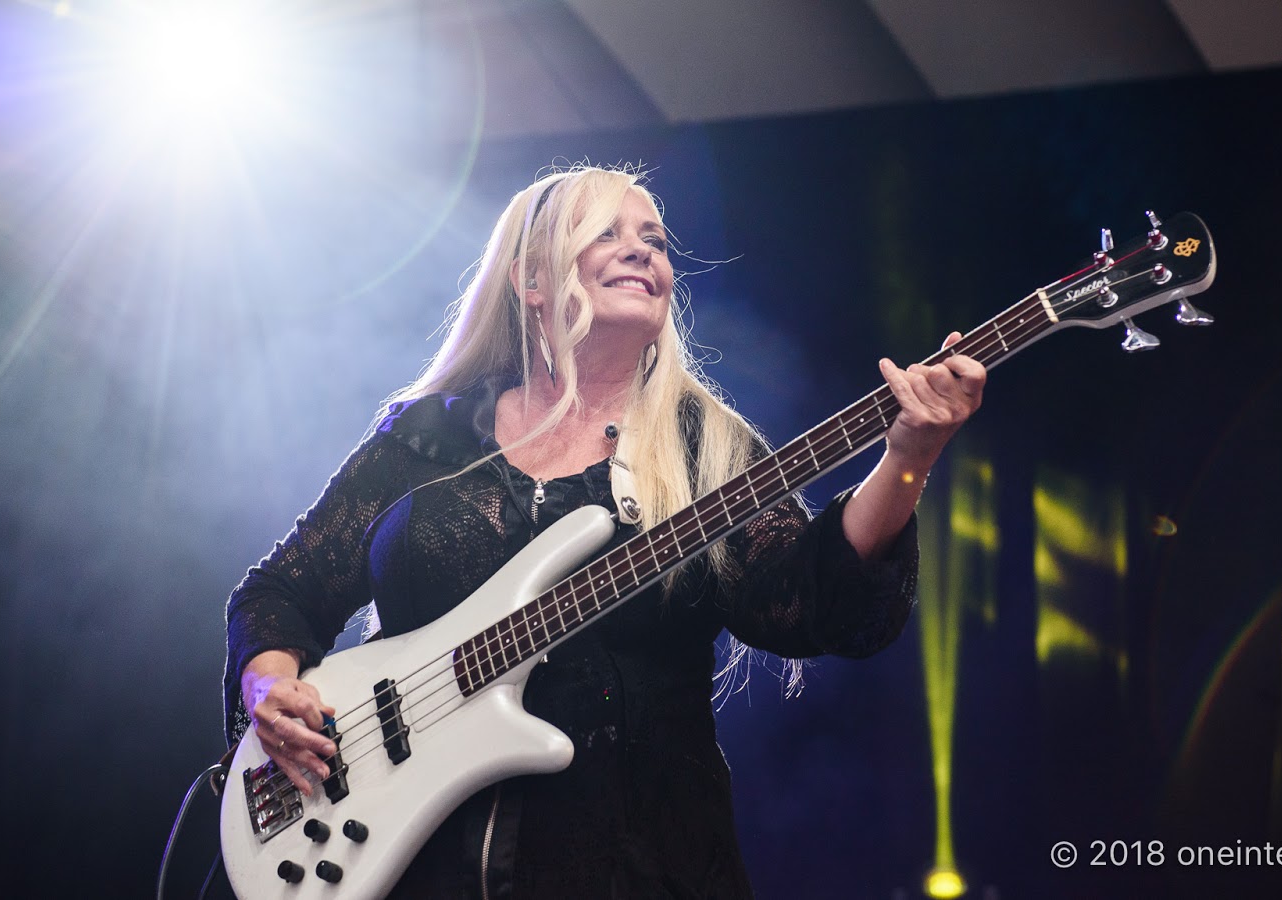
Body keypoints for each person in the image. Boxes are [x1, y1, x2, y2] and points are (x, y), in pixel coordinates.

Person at [223, 165, 986, 897]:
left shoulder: (702, 446)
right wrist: (270, 684)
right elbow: (281, 590)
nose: (642, 250)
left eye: (654, 240)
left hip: (637, 862)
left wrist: (907, 458)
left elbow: (814, 602)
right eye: (606, 233)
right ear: (531, 281)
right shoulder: (426, 440)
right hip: (405, 861)